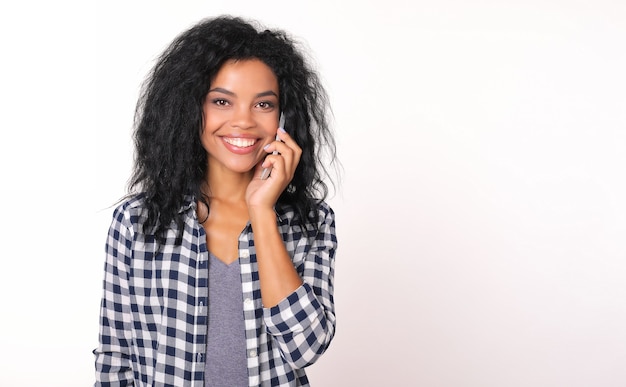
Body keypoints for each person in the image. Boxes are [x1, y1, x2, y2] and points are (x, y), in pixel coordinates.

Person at [93, 15, 338, 386]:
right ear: (190, 109)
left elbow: (306, 346)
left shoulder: (311, 223)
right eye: (222, 101)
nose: (243, 122)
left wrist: (262, 212)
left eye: (264, 105)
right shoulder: (137, 222)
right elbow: (115, 358)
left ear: (284, 119)